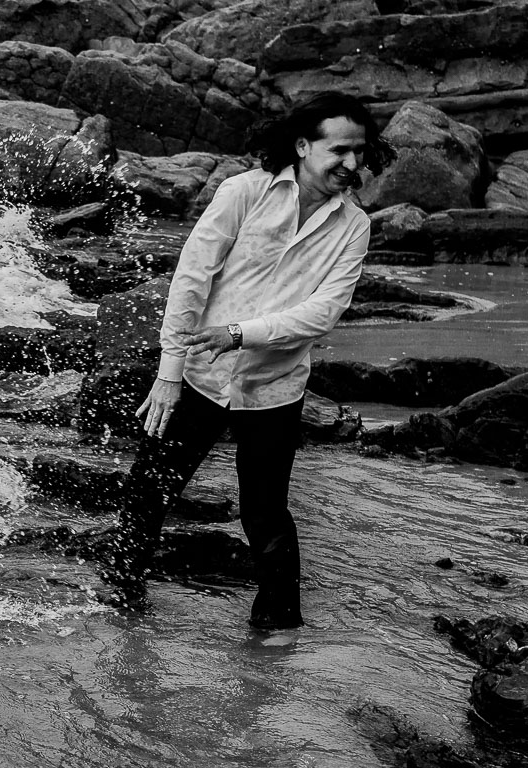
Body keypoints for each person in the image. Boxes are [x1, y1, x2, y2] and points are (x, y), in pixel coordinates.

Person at [100, 92, 390, 629]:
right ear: (303, 146)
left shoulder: (354, 226)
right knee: (150, 489)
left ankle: (277, 631)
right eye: (340, 150)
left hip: (275, 386)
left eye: (360, 152)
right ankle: (121, 608)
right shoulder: (244, 193)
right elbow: (191, 279)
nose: (352, 164)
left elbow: (321, 314)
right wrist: (168, 376)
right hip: (199, 376)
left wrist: (239, 333)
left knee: (267, 513)